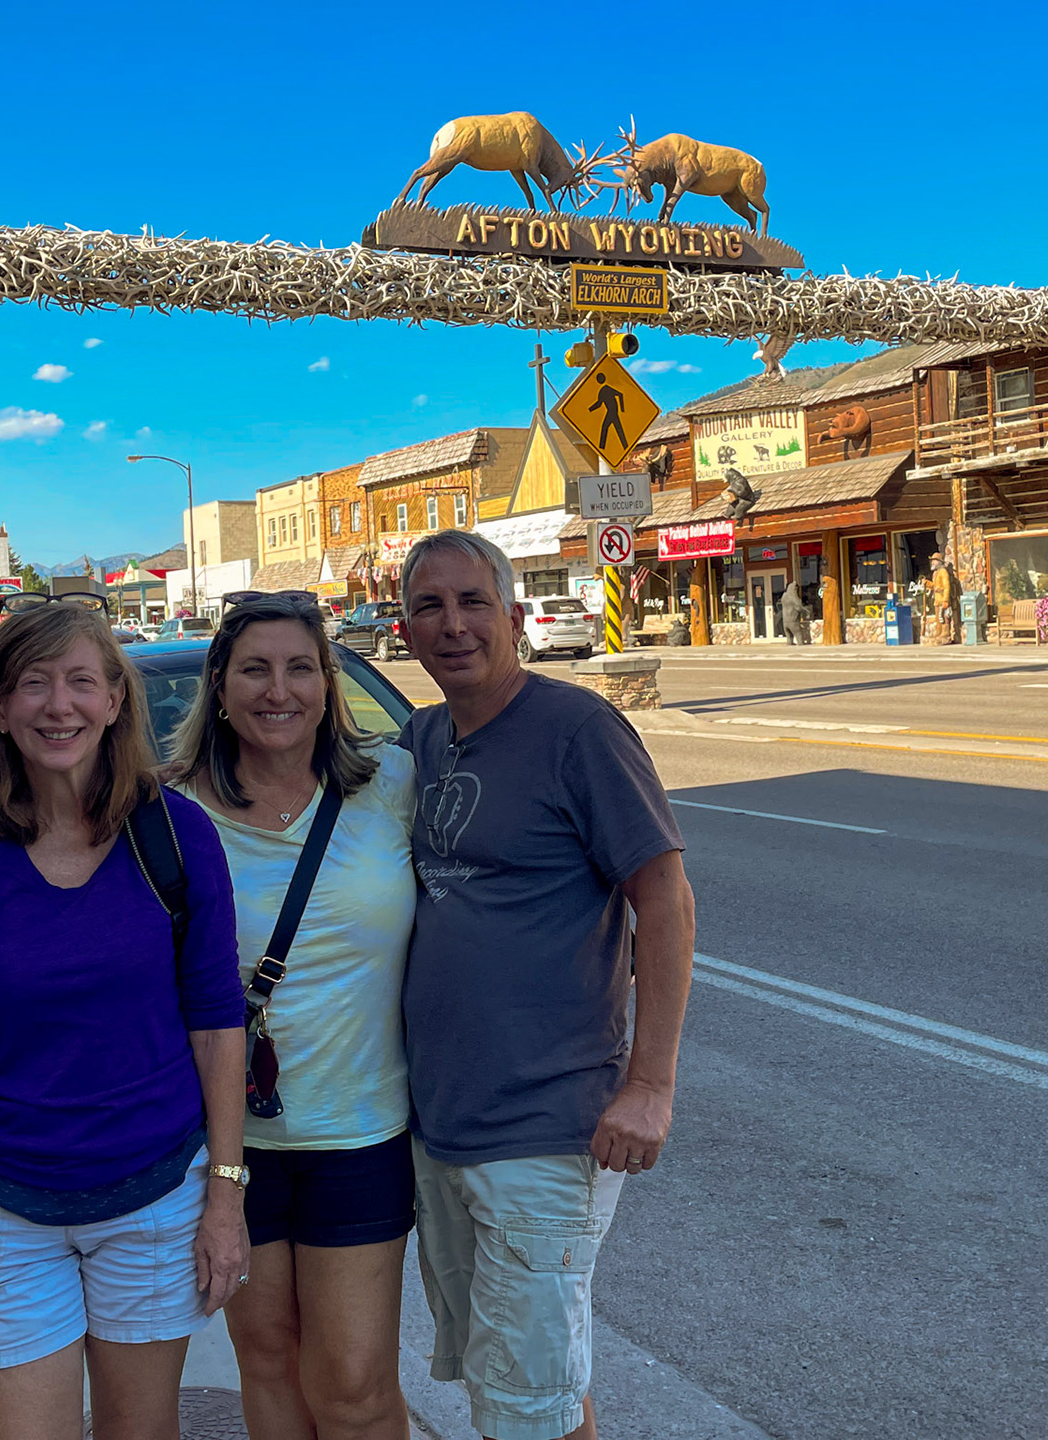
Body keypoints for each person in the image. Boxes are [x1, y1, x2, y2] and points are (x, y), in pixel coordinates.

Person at [0, 603, 250, 1440]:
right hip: (0, 1206)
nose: (60, 706)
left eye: (82, 682)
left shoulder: (176, 835)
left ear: (115, 702)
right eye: (34, 684)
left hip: (156, 1197)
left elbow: (216, 1021)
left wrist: (225, 1197)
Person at [396, 530, 696, 1440]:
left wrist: (649, 1084)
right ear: (403, 629)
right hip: (443, 1123)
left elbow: (668, 901)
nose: (453, 625)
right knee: (527, 1385)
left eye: (472, 602)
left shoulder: (579, 731)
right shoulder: (423, 737)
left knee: (523, 1400)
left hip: (547, 1121)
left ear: (514, 616)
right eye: (429, 607)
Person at [165, 592, 419, 1440]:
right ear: (221, 685)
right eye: (256, 669)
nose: (280, 690)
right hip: (229, 1146)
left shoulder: (393, 784)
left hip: (359, 1136)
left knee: (351, 1384)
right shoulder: (167, 811)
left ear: (329, 681)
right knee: (265, 1360)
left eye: (301, 667)